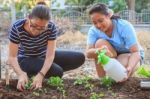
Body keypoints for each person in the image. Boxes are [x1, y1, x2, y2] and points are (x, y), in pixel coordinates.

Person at [8, 3, 85, 91]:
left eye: (42, 28)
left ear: (48, 23)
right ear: (28, 18)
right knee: (57, 72)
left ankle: (41, 71)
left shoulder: (51, 27)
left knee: (79, 57)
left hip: (43, 55)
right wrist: (20, 73)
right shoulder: (17, 27)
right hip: (25, 59)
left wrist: (41, 74)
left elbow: (50, 56)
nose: (37, 31)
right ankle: (32, 72)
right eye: (34, 26)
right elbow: (12, 57)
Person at [86, 3, 144, 79]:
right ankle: (102, 80)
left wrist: (130, 67)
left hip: (129, 55)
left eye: (101, 20)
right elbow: (88, 53)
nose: (98, 25)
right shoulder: (93, 31)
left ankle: (120, 74)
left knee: (119, 73)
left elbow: (135, 52)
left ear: (108, 15)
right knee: (98, 43)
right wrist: (99, 51)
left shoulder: (124, 26)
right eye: (94, 23)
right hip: (113, 54)